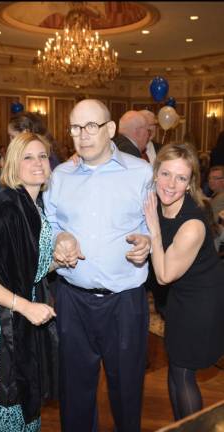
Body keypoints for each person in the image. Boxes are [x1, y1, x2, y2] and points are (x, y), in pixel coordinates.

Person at [43, 99, 153, 432]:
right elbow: (49, 221)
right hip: (72, 299)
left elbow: (151, 225)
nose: (82, 135)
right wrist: (59, 236)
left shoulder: (140, 172)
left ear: (109, 129)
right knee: (74, 390)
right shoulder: (59, 176)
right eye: (75, 127)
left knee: (127, 391)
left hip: (125, 300)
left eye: (91, 126)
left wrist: (147, 243)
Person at [0, 132, 57, 431]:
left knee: (19, 404)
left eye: (42, 156)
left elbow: (21, 264)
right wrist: (25, 305)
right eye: (28, 157)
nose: (38, 163)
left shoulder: (30, 203)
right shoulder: (7, 206)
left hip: (15, 311)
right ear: (13, 163)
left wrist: (56, 262)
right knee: (4, 409)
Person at [144, 142, 224, 421]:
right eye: (166, 174)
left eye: (181, 178)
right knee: (175, 367)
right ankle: (181, 426)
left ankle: (193, 428)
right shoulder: (161, 203)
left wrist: (152, 230)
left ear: (190, 183)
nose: (170, 184)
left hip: (201, 303)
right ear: (155, 173)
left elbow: (164, 274)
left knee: (183, 371)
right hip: (179, 298)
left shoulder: (192, 224)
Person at [0, 111, 60, 218]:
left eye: (12, 137)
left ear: (26, 133)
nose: (39, 162)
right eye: (28, 157)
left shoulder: (45, 192)